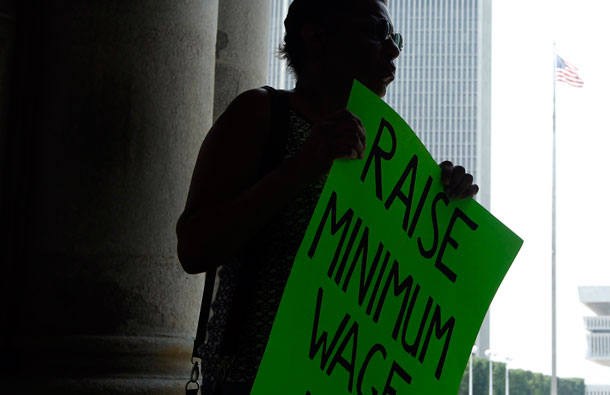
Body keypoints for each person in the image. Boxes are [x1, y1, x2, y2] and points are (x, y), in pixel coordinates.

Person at [176, 0, 478, 393]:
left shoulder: (385, 158)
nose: (393, 49)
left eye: (394, 37)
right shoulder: (262, 114)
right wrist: (304, 165)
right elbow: (194, 247)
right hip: (253, 378)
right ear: (316, 38)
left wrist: (440, 207)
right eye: (375, 32)